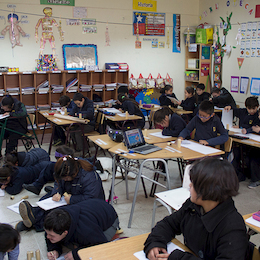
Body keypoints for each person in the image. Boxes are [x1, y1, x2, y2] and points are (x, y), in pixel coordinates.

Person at [144, 158, 248, 260]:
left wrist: (178, 258)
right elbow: (169, 224)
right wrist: (155, 242)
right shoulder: (194, 206)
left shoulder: (232, 228)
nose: (189, 185)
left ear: (208, 190)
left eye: (193, 183)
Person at [16, 156, 105, 232]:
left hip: (88, 205)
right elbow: (58, 182)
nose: (64, 180)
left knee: (60, 213)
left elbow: (92, 199)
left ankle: (34, 222)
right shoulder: (65, 170)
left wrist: (72, 199)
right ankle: (33, 216)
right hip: (71, 195)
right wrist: (57, 192)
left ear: (73, 174)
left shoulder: (89, 176)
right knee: (48, 198)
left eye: (65, 179)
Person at [44, 199, 119, 260]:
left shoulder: (86, 231)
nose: (47, 236)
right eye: (47, 233)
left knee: (95, 249)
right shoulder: (56, 220)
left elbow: (101, 245)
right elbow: (49, 232)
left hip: (110, 219)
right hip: (93, 208)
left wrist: (77, 254)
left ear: (65, 232)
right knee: (69, 244)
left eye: (51, 235)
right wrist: (54, 249)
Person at [225, 97, 260, 184]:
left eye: (253, 109)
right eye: (249, 109)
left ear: (257, 107)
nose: (251, 111)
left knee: (250, 158)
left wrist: (246, 129)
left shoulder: (257, 116)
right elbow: (235, 109)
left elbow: (253, 128)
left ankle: (252, 177)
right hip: (243, 139)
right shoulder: (243, 112)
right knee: (236, 152)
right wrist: (230, 107)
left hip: (253, 142)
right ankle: (237, 174)